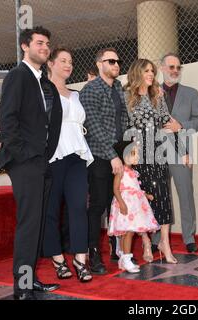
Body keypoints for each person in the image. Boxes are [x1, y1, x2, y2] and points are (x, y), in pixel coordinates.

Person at [0, 26, 61, 300]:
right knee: (28, 224)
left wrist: (46, 154)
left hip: (42, 161)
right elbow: (7, 119)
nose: (45, 47)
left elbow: (51, 121)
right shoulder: (17, 76)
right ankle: (22, 286)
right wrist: (24, 155)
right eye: (39, 43)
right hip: (25, 162)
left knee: (37, 224)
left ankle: (31, 279)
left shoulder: (43, 82)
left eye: (47, 43)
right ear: (25, 46)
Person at [125, 58, 189, 264]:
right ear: (137, 73)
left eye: (152, 71)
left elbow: (167, 123)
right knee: (143, 199)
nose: (151, 74)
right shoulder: (127, 95)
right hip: (136, 155)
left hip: (157, 152)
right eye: (146, 71)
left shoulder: (157, 96)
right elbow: (123, 126)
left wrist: (183, 150)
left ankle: (164, 244)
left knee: (163, 197)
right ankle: (145, 241)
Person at [42, 47, 94, 283]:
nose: (68, 64)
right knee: (51, 211)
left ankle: (80, 259)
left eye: (70, 61)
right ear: (50, 64)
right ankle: (58, 259)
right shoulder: (42, 91)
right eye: (62, 60)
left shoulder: (76, 94)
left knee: (78, 208)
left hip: (77, 157)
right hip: (52, 158)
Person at [79, 48, 129, 274]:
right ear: (100, 64)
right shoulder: (90, 89)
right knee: (98, 205)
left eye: (118, 61)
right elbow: (94, 126)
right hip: (100, 155)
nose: (116, 64)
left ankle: (117, 250)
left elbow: (124, 120)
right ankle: (93, 253)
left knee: (115, 203)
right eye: (111, 61)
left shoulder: (118, 87)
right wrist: (112, 156)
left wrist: (128, 149)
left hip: (119, 152)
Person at [156, 53, 198, 253]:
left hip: (181, 152)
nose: (175, 70)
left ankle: (189, 237)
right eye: (171, 67)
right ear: (162, 68)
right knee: (159, 195)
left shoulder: (191, 93)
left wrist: (181, 126)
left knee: (185, 194)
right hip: (155, 151)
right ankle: (156, 237)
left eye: (178, 67)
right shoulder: (151, 92)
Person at [108, 141, 160, 272]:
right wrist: (121, 203)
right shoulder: (121, 171)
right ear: (124, 156)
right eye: (134, 154)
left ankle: (124, 260)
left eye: (137, 154)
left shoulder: (133, 172)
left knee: (130, 232)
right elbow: (115, 189)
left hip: (135, 206)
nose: (137, 156)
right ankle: (126, 259)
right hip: (126, 206)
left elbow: (135, 188)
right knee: (128, 233)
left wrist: (146, 195)